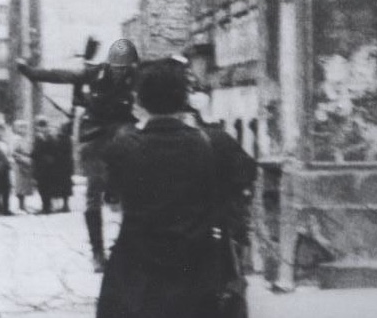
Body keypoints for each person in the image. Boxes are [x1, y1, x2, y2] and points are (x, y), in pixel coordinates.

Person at [96, 58, 255, 318]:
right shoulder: (215, 144)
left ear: (140, 101)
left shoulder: (121, 149)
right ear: (185, 99)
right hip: (199, 277)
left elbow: (113, 200)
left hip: (137, 281)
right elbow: (246, 176)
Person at [18, 38, 139, 271]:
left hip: (121, 131)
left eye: (124, 69)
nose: (120, 73)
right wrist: (29, 71)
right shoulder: (93, 74)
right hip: (94, 135)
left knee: (134, 177)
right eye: (116, 68)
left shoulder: (135, 75)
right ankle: (97, 252)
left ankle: (126, 241)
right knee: (94, 191)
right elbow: (59, 75)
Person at [31, 116, 57, 214]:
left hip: (44, 166)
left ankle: (47, 207)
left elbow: (36, 152)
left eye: (43, 126)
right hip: (44, 166)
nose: (42, 128)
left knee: (45, 187)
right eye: (41, 126)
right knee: (43, 187)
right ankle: (46, 206)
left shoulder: (44, 138)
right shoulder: (47, 137)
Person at [11, 120, 34, 212]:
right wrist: (22, 158)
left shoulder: (26, 139)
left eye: (25, 127)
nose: (23, 130)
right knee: (20, 186)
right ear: (17, 129)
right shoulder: (16, 139)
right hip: (20, 165)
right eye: (21, 127)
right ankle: (21, 205)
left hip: (27, 164)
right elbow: (14, 153)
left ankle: (23, 205)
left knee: (25, 185)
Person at [54, 122, 74, 212]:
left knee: (61, 185)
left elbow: (57, 151)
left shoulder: (60, 139)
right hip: (67, 165)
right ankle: (65, 205)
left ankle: (64, 205)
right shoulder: (69, 139)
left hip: (60, 165)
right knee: (66, 185)